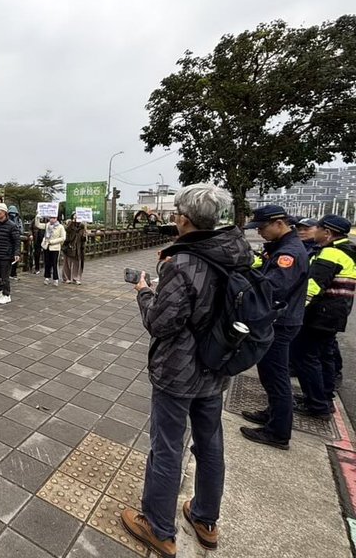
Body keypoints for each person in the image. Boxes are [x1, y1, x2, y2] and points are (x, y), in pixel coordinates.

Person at [122, 183, 252, 557]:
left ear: (185, 218)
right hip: (217, 365)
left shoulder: (183, 263)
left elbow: (162, 324)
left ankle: (159, 528)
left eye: (177, 213)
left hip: (178, 370)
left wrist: (145, 293)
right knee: (210, 444)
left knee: (166, 447)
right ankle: (205, 518)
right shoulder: (236, 253)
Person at [239, 205, 309, 450]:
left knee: (275, 375)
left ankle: (278, 432)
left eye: (262, 227)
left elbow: (273, 289)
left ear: (279, 223)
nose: (260, 233)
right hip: (281, 319)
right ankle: (273, 414)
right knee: (270, 374)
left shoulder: (289, 253)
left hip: (281, 321)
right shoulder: (282, 248)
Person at [293, 215, 356, 419]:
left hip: (320, 315)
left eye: (318, 228)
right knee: (325, 356)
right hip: (335, 314)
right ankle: (323, 398)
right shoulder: (349, 251)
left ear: (327, 232)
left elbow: (313, 285)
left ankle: (316, 404)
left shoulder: (331, 252)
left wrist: (296, 310)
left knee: (306, 357)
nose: (314, 232)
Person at [36, 214, 65, 286]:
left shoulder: (60, 227)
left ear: (56, 218)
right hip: (47, 246)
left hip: (55, 247)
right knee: (47, 262)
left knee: (54, 263)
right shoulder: (47, 225)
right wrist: (37, 216)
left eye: (54, 218)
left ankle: (56, 279)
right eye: (51, 218)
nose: (52, 219)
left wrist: (53, 242)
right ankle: (47, 277)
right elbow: (38, 225)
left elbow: (63, 238)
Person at [62, 215, 86, 285]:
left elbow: (83, 240)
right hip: (69, 246)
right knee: (67, 263)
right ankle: (66, 278)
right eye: (75, 217)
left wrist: (84, 236)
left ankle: (76, 278)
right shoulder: (70, 225)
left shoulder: (82, 227)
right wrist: (73, 222)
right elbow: (67, 231)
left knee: (77, 264)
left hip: (78, 248)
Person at [7, 205, 24, 280]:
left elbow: (22, 230)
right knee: (10, 257)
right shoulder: (8, 220)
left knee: (15, 257)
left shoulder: (18, 220)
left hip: (15, 241)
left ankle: (13, 273)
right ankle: (10, 273)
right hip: (10, 241)